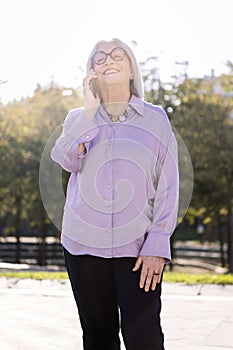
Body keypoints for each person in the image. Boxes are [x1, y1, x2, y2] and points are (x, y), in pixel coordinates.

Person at [51, 38, 179, 350]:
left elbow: (169, 183)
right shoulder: (77, 118)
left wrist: (158, 241)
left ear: (131, 69)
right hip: (83, 245)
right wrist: (89, 112)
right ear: (91, 71)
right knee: (97, 338)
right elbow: (66, 158)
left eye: (117, 54)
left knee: (144, 338)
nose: (109, 59)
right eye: (100, 57)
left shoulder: (155, 118)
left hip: (137, 248)